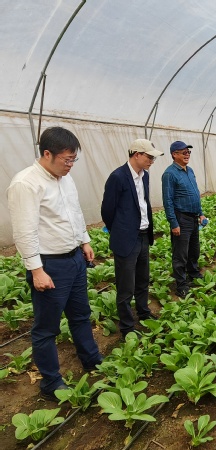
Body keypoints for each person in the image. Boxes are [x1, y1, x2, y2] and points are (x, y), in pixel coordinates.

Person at [6, 126, 103, 400]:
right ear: (47, 154)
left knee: (80, 314)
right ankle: (50, 382)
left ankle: (91, 359)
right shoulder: (26, 183)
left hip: (74, 259)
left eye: (74, 159)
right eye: (66, 159)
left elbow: (74, 212)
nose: (71, 165)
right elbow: (24, 232)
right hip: (50, 266)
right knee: (47, 328)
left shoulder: (65, 179)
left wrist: (84, 241)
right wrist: (37, 270)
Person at [101, 139, 164, 339]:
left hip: (143, 235)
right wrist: (121, 231)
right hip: (127, 239)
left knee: (143, 279)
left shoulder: (145, 176)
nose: (152, 161)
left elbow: (143, 203)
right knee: (125, 286)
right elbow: (107, 210)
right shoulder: (118, 177)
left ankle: (143, 312)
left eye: (153, 158)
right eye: (149, 157)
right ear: (137, 154)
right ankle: (127, 326)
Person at [162, 140, 206, 297]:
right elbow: (168, 201)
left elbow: (195, 193)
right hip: (181, 218)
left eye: (188, 152)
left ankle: (193, 273)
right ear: (174, 155)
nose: (187, 155)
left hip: (193, 217)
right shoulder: (169, 174)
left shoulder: (190, 170)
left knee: (194, 249)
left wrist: (200, 213)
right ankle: (181, 284)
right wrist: (174, 223)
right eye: (184, 152)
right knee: (180, 254)